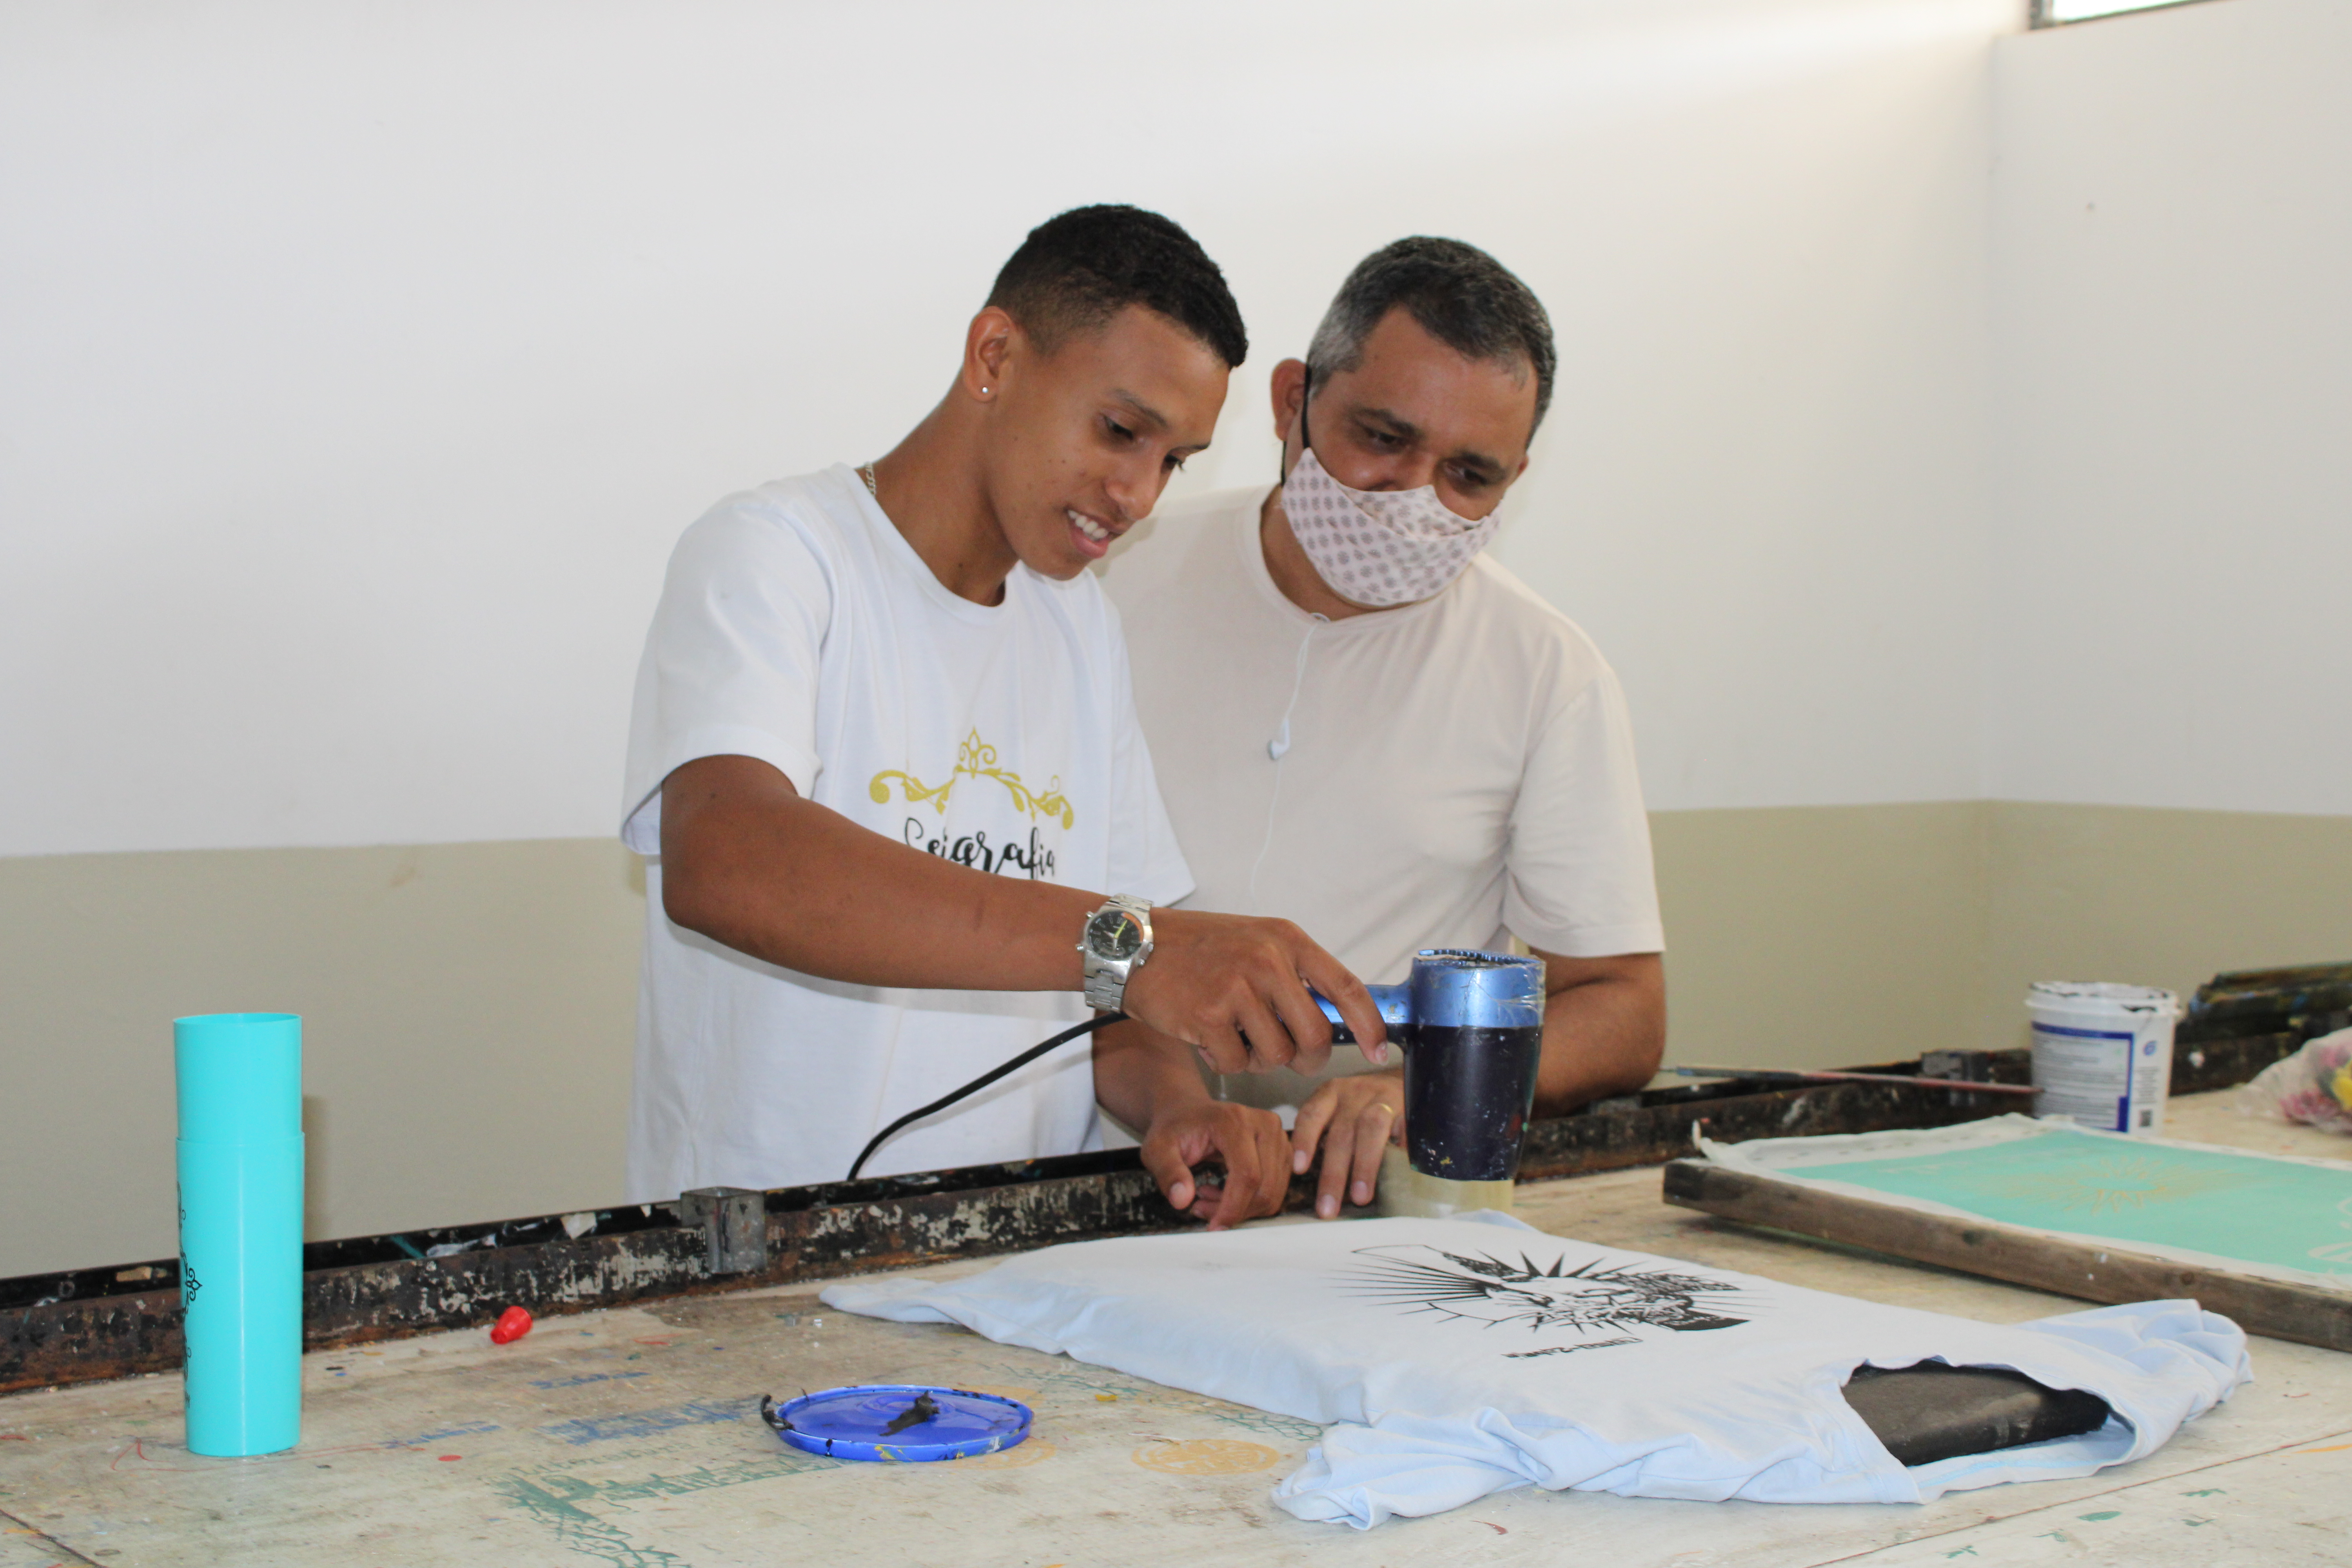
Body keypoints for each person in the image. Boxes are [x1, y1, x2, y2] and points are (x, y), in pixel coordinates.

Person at [618, 206, 1385, 1225]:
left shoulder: (1078, 628)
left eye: (1175, 460)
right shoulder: (777, 556)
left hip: (1013, 1272)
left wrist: (1178, 1104)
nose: (1137, 493)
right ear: (994, 357)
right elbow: (730, 859)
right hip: (758, 1268)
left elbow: (1112, 995)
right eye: (1120, 431)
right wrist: (1141, 944)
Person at [1100, 236, 1666, 1220]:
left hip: (1372, 1212)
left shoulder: (1546, 671)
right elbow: (1057, 927)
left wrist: (1426, 1089)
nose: (1415, 497)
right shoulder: (1110, 587)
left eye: (1471, 475)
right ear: (1291, 401)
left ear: (1518, 476)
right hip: (1101, 1175)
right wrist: (1184, 1104)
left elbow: (1622, 1008)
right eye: (1383, 437)